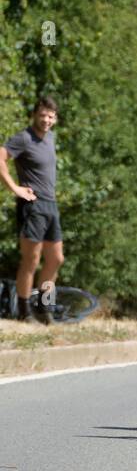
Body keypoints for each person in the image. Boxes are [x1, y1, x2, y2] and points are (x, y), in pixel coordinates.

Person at [1, 97, 63, 323]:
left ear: (54, 119)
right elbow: (1, 156)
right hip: (32, 205)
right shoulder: (24, 138)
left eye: (50, 116)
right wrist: (14, 187)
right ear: (34, 115)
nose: (46, 119)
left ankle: (45, 308)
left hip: (51, 204)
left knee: (56, 258)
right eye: (43, 115)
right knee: (31, 259)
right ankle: (24, 312)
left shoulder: (51, 138)